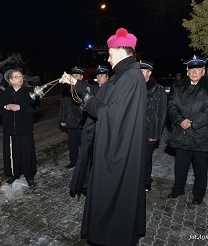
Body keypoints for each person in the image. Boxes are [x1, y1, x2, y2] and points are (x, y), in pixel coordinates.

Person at [60, 27, 146, 245]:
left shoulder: (130, 77)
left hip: (118, 151)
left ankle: (112, 236)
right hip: (119, 145)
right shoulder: (124, 75)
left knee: (112, 197)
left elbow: (108, 113)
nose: (107, 57)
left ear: (119, 50)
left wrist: (88, 102)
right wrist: (75, 83)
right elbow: (101, 93)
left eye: (109, 52)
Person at [167, 55, 208, 205]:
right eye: (192, 69)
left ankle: (198, 195)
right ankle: (178, 189)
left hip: (201, 135)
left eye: (198, 69)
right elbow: (171, 106)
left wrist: (192, 122)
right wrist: (179, 120)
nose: (195, 72)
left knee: (200, 169)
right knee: (180, 166)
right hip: (182, 134)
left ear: (203, 71)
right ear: (187, 71)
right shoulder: (177, 87)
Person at [69, 64, 110, 197]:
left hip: (103, 130)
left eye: (102, 75)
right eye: (97, 75)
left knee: (99, 160)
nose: (99, 77)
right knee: (87, 158)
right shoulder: (95, 88)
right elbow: (87, 99)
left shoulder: (110, 90)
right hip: (90, 129)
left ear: (107, 77)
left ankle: (98, 186)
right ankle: (85, 185)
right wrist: (84, 106)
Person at [0, 69, 38, 187]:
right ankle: (14, 174)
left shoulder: (29, 92)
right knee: (12, 154)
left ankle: (29, 177)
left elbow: (35, 108)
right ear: (11, 80)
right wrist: (6, 106)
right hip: (9, 130)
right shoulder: (4, 93)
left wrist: (20, 107)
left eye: (20, 76)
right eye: (17, 76)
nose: (20, 78)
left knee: (26, 153)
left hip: (25, 129)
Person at [140, 60, 167, 192]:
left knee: (145, 159)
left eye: (142, 71)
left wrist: (155, 134)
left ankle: (146, 181)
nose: (139, 73)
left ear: (149, 72)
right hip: (133, 130)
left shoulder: (158, 89)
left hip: (148, 130)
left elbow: (160, 114)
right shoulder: (133, 87)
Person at [59, 66, 86, 169]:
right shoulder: (67, 89)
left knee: (83, 144)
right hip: (70, 122)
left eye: (77, 75)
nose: (75, 77)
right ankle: (73, 161)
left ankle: (85, 162)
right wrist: (62, 119)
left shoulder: (84, 89)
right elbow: (63, 105)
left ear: (81, 77)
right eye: (73, 75)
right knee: (72, 144)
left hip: (81, 123)